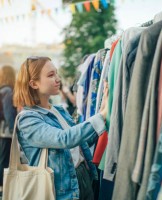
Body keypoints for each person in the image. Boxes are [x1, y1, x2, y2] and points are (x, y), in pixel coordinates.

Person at [13, 56, 108, 200]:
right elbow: (64, 139)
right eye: (51, 75)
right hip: (60, 189)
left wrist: (104, 112)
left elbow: (80, 143)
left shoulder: (59, 110)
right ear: (34, 84)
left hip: (82, 177)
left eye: (56, 73)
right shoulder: (28, 119)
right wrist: (100, 117)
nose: (58, 79)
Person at [0, 65, 17, 197]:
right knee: (5, 160)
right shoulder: (8, 91)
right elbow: (8, 113)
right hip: (6, 132)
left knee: (3, 158)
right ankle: (3, 187)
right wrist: (13, 130)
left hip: (3, 130)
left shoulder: (2, 90)